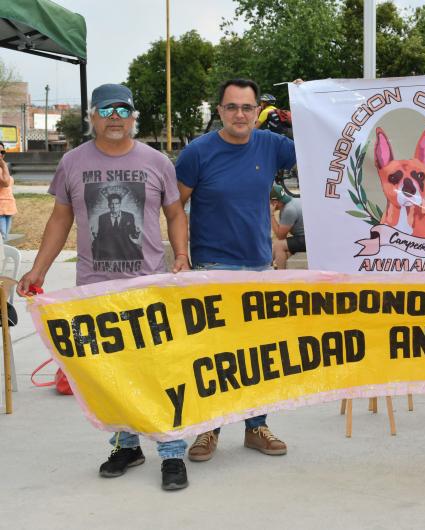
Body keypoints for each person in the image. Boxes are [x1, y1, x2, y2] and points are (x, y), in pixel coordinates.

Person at [16, 83, 191, 491]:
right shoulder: (73, 163)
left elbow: (175, 213)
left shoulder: (157, 162)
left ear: (134, 117)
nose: (115, 116)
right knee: (111, 374)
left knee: (157, 371)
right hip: (94, 290)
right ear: (92, 116)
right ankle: (126, 445)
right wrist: (38, 270)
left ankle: (171, 452)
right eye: (106, 109)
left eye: (123, 109)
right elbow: (59, 220)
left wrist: (180, 255)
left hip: (149, 288)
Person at [176, 78, 295, 462]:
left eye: (247, 107)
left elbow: (321, 147)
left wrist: (307, 102)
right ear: (220, 111)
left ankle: (255, 426)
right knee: (214, 354)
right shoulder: (197, 152)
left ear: (257, 110)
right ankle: (207, 429)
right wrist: (181, 254)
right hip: (212, 267)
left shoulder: (272, 146)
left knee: (257, 355)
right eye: (232, 107)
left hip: (259, 267)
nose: (240, 114)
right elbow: (174, 206)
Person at [93, 192, 144, 261]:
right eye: (112, 204)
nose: (114, 206)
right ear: (108, 205)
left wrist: (137, 232)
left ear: (120, 204)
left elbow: (133, 235)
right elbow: (101, 235)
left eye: (116, 203)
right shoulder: (102, 218)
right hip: (108, 248)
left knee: (137, 253)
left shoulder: (129, 216)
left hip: (125, 247)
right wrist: (95, 235)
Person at [270, 183, 305, 269]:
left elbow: (280, 236)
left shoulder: (288, 210)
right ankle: (264, 267)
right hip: (308, 236)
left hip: (308, 239)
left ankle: (281, 276)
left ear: (275, 202)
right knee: (277, 247)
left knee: (278, 245)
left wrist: (271, 215)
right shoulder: (292, 201)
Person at [0, 142, 17, 240]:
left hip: (8, 208)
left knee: (4, 238)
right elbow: (5, 183)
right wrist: (4, 165)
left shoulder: (2, 167)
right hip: (0, 209)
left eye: (2, 151)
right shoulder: (3, 166)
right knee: (2, 237)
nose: (1, 154)